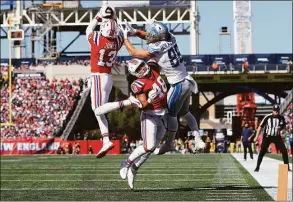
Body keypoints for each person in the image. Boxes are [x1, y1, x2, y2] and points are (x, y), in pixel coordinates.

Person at [118, 20, 205, 155]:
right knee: (185, 112)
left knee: (171, 114)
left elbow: (133, 52)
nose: (150, 35)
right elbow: (148, 36)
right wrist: (134, 31)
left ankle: (169, 143)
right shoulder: (169, 37)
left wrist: (125, 37)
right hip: (187, 80)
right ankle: (198, 138)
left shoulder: (157, 48)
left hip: (178, 85)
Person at [94, 58, 167, 189]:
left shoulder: (153, 67)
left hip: (163, 114)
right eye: (138, 69)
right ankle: (126, 163)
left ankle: (134, 168)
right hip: (150, 116)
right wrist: (150, 99)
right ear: (135, 73)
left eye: (141, 66)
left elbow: (153, 55)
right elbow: (143, 106)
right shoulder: (138, 84)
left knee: (152, 149)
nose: (142, 69)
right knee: (149, 146)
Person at [86, 5, 125, 158]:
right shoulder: (118, 41)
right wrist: (115, 18)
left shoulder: (97, 38)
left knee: (97, 110)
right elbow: (121, 30)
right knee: (99, 111)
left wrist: (98, 16)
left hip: (97, 76)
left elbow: (88, 30)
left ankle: (126, 102)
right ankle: (106, 140)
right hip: (108, 77)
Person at [254, 104, 291, 172]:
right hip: (268, 137)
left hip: (277, 137)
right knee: (262, 151)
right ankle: (257, 167)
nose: (276, 112)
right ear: (272, 110)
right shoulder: (267, 117)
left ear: (279, 111)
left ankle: (287, 167)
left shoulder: (281, 117)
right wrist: (256, 137)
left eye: (277, 111)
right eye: (275, 111)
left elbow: (283, 125)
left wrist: (281, 128)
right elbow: (260, 127)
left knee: (284, 151)